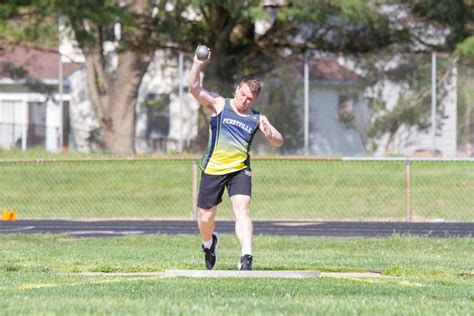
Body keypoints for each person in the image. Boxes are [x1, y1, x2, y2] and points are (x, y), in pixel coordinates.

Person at [189, 48, 284, 271]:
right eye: (242, 94)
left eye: (249, 98)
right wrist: (196, 64)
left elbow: (278, 141)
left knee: (242, 209)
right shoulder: (221, 104)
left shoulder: (257, 117)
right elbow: (194, 89)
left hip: (239, 169)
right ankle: (209, 243)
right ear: (237, 89)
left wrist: (271, 134)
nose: (244, 100)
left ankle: (246, 256)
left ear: (255, 99)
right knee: (205, 218)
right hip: (213, 168)